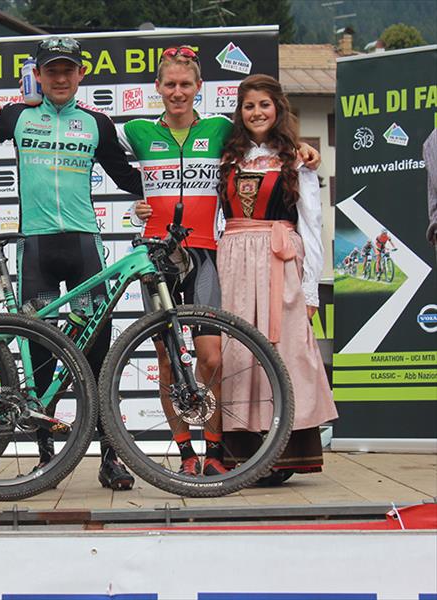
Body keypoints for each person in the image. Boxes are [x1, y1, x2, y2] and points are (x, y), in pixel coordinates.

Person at [121, 47, 320, 477]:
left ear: (199, 89)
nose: (177, 92)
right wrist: (133, 207)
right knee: (169, 361)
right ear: (157, 87)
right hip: (156, 257)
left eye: (185, 85)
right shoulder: (135, 130)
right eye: (169, 84)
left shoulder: (219, 132)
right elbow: (97, 146)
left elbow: (263, 137)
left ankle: (214, 451)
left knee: (212, 357)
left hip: (205, 253)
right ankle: (186, 454)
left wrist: (301, 147)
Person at [0, 36, 142, 490]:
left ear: (81, 75)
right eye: (51, 70)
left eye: (68, 70)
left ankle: (111, 457)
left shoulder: (96, 123)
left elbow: (129, 178)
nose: (60, 78)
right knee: (38, 353)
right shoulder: (18, 116)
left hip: (83, 249)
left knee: (98, 354)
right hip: (36, 249)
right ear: (37, 74)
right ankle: (46, 458)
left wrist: (187, 184)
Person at [216, 74, 338, 483]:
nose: (256, 113)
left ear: (278, 108)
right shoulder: (228, 158)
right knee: (239, 354)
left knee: (285, 349)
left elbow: (311, 223)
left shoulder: (297, 160)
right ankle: (243, 453)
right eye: (249, 106)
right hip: (234, 262)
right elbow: (219, 217)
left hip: (278, 259)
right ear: (240, 112)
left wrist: (309, 289)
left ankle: (288, 451)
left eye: (264, 105)